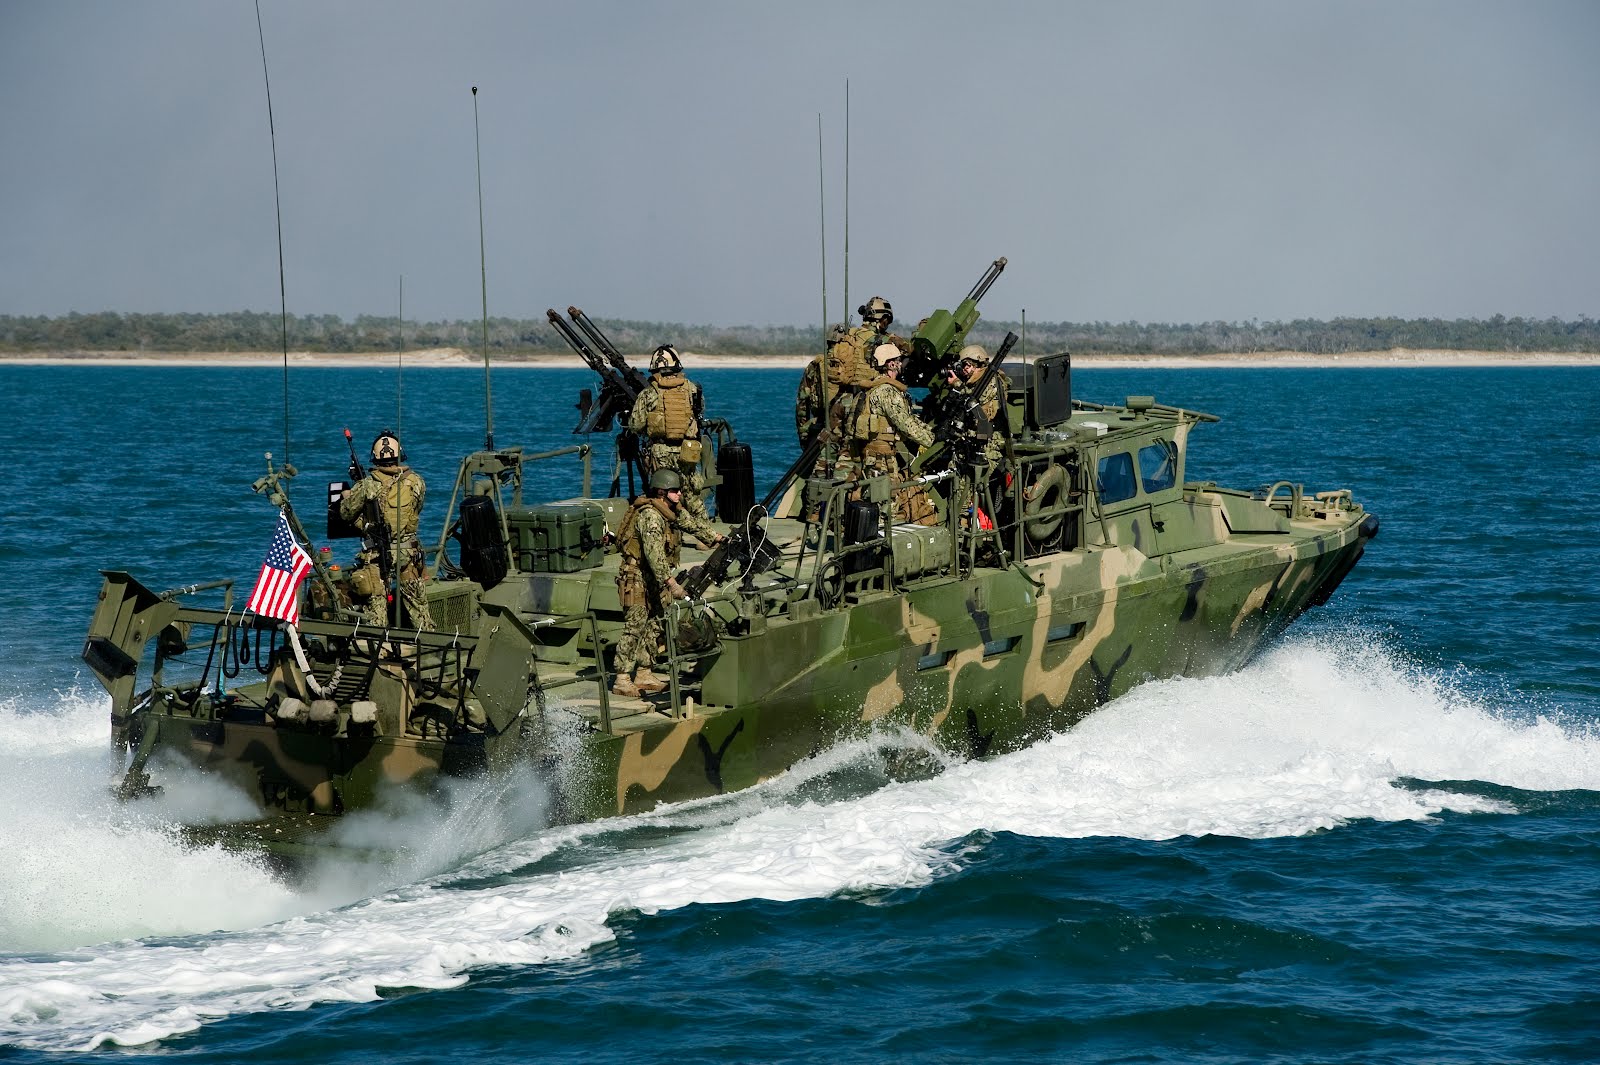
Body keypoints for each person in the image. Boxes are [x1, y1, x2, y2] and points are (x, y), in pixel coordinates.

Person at [612, 467, 694, 698]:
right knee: (635, 625)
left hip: (654, 578)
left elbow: (692, 524)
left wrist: (716, 538)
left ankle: (645, 672)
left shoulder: (670, 511)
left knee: (656, 621)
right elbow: (654, 553)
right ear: (662, 491)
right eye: (675, 491)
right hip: (636, 576)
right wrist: (671, 582)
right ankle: (622, 677)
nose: (679, 495)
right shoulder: (650, 515)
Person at [339, 430, 434, 629]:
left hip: (376, 556)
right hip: (409, 553)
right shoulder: (417, 481)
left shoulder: (367, 485)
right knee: (419, 610)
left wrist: (349, 494)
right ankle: (429, 648)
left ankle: (377, 652)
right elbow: (416, 509)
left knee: (376, 614)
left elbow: (346, 514)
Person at [629, 343, 720, 540]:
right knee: (690, 494)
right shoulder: (693, 389)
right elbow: (699, 412)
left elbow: (635, 425)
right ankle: (707, 536)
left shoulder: (649, 393)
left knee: (661, 496)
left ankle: (663, 535)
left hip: (660, 450)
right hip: (687, 449)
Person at [848, 343, 940, 526]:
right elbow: (905, 424)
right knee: (886, 504)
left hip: (871, 454)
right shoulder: (887, 392)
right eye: (897, 361)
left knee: (875, 498)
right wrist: (933, 441)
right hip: (882, 457)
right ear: (890, 364)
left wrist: (929, 430)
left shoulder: (871, 388)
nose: (901, 364)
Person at [946, 342, 1012, 526]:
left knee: (970, 485)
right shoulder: (973, 383)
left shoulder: (992, 382)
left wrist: (958, 385)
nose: (964, 370)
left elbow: (980, 411)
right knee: (958, 484)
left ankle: (969, 528)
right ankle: (960, 523)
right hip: (970, 441)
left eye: (967, 366)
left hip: (989, 444)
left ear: (978, 364)